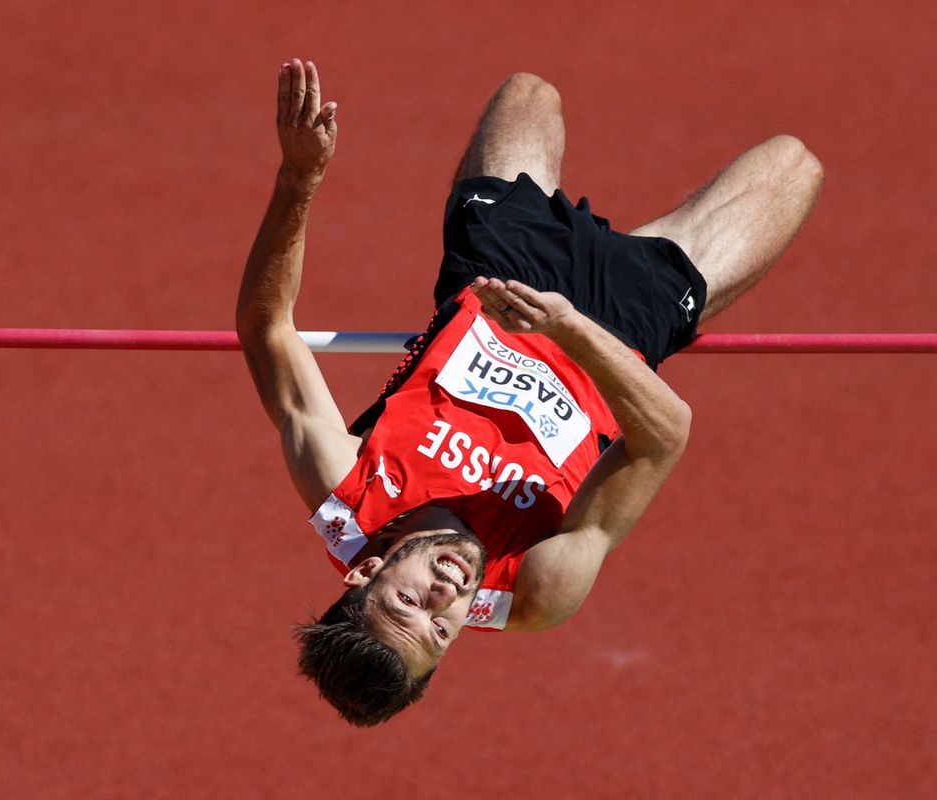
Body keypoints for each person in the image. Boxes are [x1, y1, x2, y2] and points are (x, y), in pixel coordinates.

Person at [236, 58, 823, 726]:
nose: (445, 596)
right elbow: (663, 437)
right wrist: (570, 330)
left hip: (501, 270)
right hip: (623, 327)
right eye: (441, 631)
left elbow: (267, 329)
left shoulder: (345, 492)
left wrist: (299, 175)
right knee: (795, 164)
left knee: (530, 91)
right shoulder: (538, 592)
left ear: (362, 575)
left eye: (410, 603)